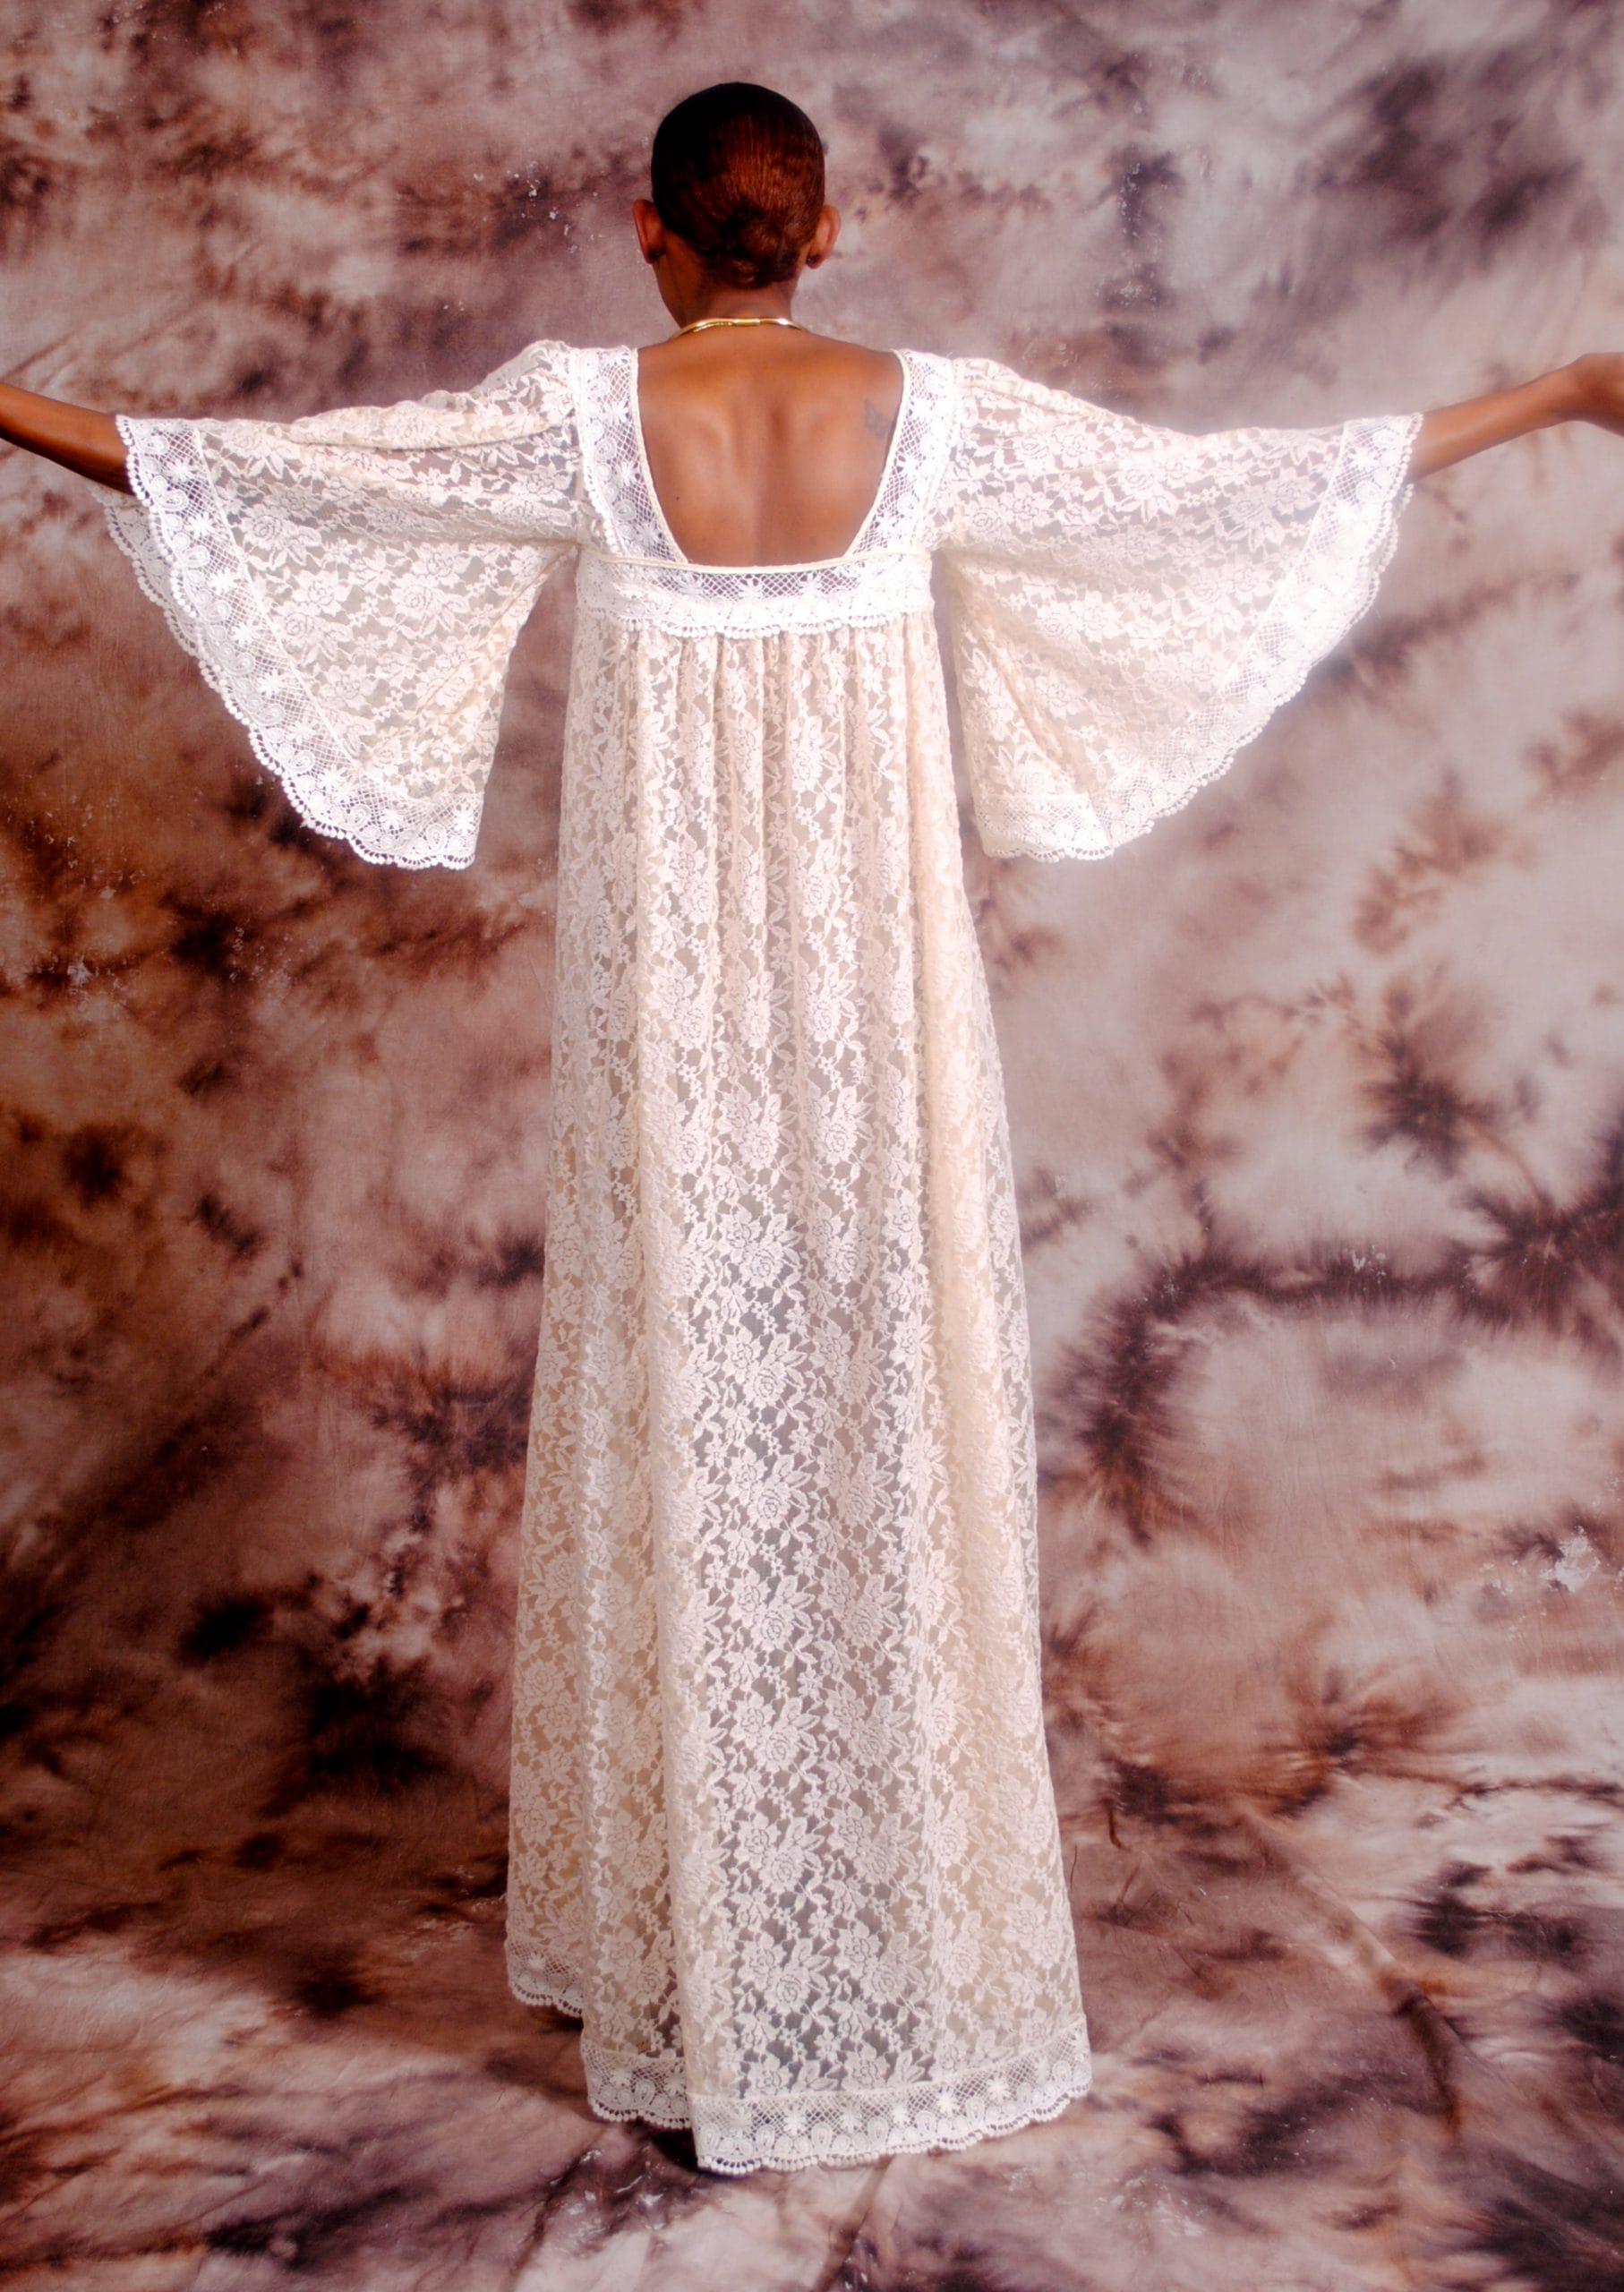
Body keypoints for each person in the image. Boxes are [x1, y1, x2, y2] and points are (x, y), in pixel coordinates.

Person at [4, 79, 1622, 2180]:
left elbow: (251, 480)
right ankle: (867, 1940)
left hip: (671, 1035)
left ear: (652, 231)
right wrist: (1560, 389)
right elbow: (1234, 493)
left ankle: (722, 1955)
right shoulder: (932, 423)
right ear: (826, 233)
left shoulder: (583, 420)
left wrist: (7, 402)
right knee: (878, 1420)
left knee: (694, 1420)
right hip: (883, 1041)